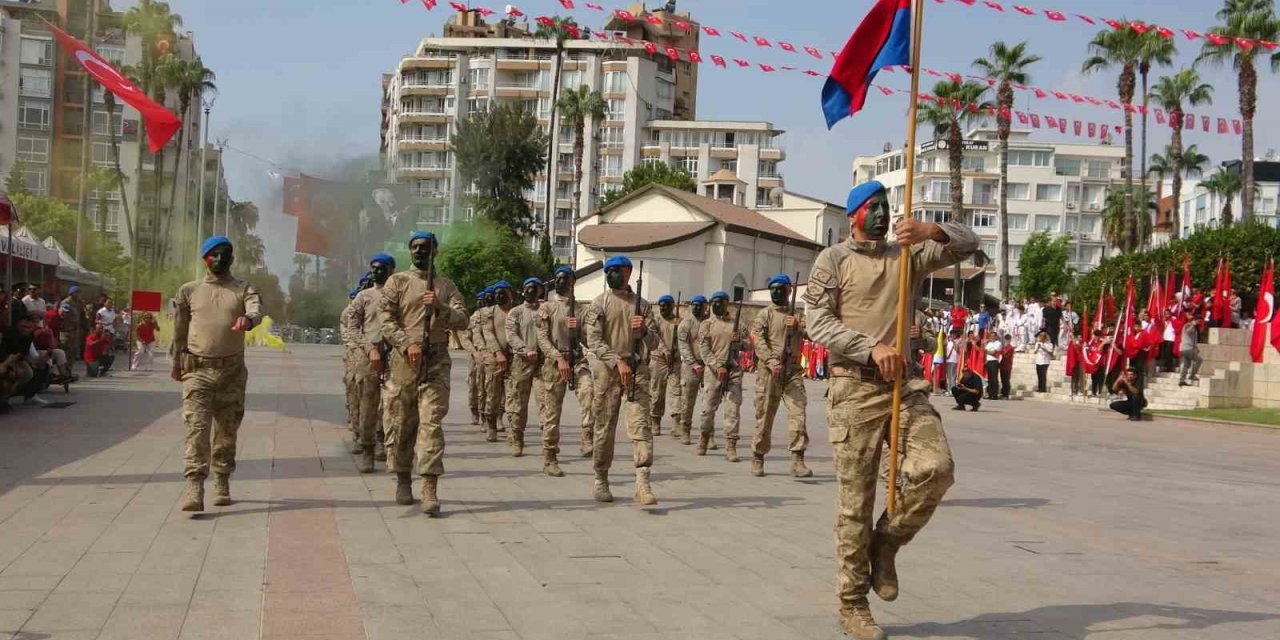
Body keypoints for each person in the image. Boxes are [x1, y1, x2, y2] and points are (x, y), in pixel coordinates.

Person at [805, 180, 976, 639]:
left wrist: (931, 231)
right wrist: (869, 347)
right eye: (873, 207)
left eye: (886, 206)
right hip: (854, 390)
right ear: (853, 216)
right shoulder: (833, 260)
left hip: (904, 387)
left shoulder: (907, 255)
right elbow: (817, 321)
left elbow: (970, 244)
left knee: (936, 469)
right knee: (855, 504)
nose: (882, 214)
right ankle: (852, 603)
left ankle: (887, 543)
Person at [378, 231, 469, 514]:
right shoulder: (397, 282)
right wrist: (406, 344)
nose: (420, 251)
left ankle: (430, 486)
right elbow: (386, 319)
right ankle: (403, 479)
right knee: (404, 423)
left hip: (436, 361)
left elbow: (463, 319)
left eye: (426, 247)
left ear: (435, 251)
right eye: (415, 247)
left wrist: (440, 307)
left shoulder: (446, 286)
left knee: (431, 423)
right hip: (404, 362)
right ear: (410, 251)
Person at [172, 236, 263, 512]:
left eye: (225, 254)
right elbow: (179, 330)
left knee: (227, 430)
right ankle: (194, 484)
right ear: (205, 259)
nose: (220, 259)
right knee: (196, 428)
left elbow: (255, 309)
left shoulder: (243, 288)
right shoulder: (189, 291)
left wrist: (248, 319)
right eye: (214, 254)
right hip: (197, 370)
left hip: (231, 371)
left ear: (232, 258)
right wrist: (176, 363)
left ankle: (221, 479)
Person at [582, 255, 658, 505]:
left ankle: (642, 482)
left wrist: (644, 330)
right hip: (608, 372)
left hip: (637, 371)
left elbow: (655, 342)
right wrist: (617, 361)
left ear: (628, 273)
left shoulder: (643, 306)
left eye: (618, 270)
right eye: (609, 271)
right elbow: (593, 340)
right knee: (604, 427)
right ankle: (601, 478)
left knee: (641, 425)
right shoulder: (599, 303)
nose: (613, 274)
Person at [748, 274, 811, 478]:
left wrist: (798, 326)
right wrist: (771, 361)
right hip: (769, 372)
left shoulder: (797, 315)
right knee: (765, 415)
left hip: (792, 371)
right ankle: (758, 456)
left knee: (798, 413)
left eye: (780, 289)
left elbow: (815, 333)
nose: (776, 293)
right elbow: (759, 341)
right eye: (773, 289)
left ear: (789, 291)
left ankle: (797, 459)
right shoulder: (764, 315)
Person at [536, 266, 596, 464]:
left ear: (573, 282)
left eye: (565, 278)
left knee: (588, 393)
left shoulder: (581, 310)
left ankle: (587, 437)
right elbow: (542, 338)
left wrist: (579, 330)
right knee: (552, 411)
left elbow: (589, 339)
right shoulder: (547, 308)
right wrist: (558, 358)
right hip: (555, 362)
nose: (561, 282)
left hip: (577, 360)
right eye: (558, 278)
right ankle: (550, 455)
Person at [349, 254, 397, 472]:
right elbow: (351, 325)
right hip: (370, 356)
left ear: (390, 271)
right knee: (368, 405)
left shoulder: (399, 294)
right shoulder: (364, 296)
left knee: (392, 404)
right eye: (374, 268)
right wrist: (368, 348)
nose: (376, 272)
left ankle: (385, 444)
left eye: (381, 268)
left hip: (394, 354)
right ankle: (367, 449)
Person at [696, 290, 745, 461]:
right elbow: (704, 349)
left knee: (733, 409)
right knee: (707, 409)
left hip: (734, 370)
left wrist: (740, 341)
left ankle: (731, 445)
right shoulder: (706, 324)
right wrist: (717, 366)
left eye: (720, 302)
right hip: (713, 371)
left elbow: (749, 346)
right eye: (714, 302)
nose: (717, 305)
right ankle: (704, 437)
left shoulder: (737, 324)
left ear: (726, 304)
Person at [503, 277, 546, 459]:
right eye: (527, 287)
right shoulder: (516, 312)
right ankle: (517, 438)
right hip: (522, 362)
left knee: (545, 402)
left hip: (543, 362)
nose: (530, 291)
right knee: (519, 403)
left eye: (534, 288)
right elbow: (511, 335)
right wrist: (524, 349)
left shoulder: (546, 310)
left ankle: (548, 442)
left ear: (540, 291)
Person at [479, 281, 515, 442]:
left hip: (514, 358)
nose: (499, 296)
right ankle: (491, 425)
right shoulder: (489, 312)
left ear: (510, 294)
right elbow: (488, 333)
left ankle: (513, 429)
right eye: (497, 294)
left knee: (513, 395)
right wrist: (498, 353)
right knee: (492, 394)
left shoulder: (516, 311)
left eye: (503, 293)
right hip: (494, 358)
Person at [674, 294, 708, 445]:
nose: (697, 307)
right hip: (690, 366)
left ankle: (707, 434)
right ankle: (685, 430)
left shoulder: (709, 323)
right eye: (694, 304)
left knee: (709, 402)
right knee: (687, 401)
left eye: (700, 305)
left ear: (705, 306)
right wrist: (693, 363)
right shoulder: (686, 323)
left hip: (708, 365)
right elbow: (683, 345)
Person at [647, 294, 681, 437]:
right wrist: (665, 351)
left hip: (675, 361)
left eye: (667, 306)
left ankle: (676, 423)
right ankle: (655, 420)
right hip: (658, 360)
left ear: (672, 306)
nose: (664, 308)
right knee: (657, 393)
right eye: (662, 306)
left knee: (676, 392)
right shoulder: (655, 321)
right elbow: (654, 338)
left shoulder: (679, 322)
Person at [469, 287, 495, 429]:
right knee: (475, 385)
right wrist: (475, 352)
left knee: (490, 386)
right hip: (477, 356)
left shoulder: (494, 314)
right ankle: (476, 411)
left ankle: (493, 415)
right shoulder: (475, 316)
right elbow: (468, 337)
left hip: (492, 355)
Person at [1178, 310, 1202, 386]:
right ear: (1195, 320)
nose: (1199, 322)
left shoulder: (1194, 327)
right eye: (1198, 321)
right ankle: (1192, 375)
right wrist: (1193, 325)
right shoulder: (1188, 325)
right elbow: (1187, 332)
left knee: (1186, 364)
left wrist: (1196, 347)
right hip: (1187, 348)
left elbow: (1192, 339)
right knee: (1199, 360)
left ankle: (1182, 380)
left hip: (1185, 348)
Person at [983, 333, 1002, 399]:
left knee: (994, 378)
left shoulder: (998, 343)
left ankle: (995, 394)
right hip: (988, 361)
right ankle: (990, 394)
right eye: (991, 336)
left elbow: (993, 353)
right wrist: (988, 351)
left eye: (994, 336)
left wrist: (987, 351)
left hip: (994, 361)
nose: (992, 337)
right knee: (989, 379)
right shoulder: (989, 344)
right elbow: (985, 351)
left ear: (996, 337)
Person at [998, 334, 1014, 400]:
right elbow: (1000, 353)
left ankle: (1006, 395)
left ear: (1010, 340)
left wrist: (1002, 354)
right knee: (1003, 380)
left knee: (1006, 380)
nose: (1007, 341)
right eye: (1006, 339)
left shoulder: (1010, 348)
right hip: (1002, 365)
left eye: (1008, 339)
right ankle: (1003, 393)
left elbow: (1006, 356)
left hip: (1007, 366)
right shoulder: (1004, 347)